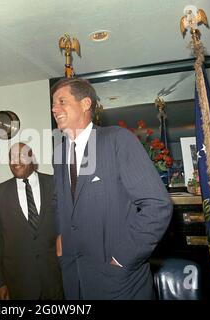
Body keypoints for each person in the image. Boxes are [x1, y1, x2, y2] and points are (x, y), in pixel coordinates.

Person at [51, 78, 172, 300]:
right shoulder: (58, 153)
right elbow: (59, 202)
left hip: (119, 281)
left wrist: (123, 258)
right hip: (74, 278)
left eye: (61, 101)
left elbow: (157, 206)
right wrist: (60, 238)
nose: (54, 109)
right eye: (53, 104)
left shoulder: (118, 139)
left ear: (86, 103)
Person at [0, 142, 63, 300]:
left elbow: (66, 226)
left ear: (32, 158)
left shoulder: (54, 184)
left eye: (21, 155)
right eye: (12, 157)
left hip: (55, 279)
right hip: (18, 283)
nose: (16, 161)